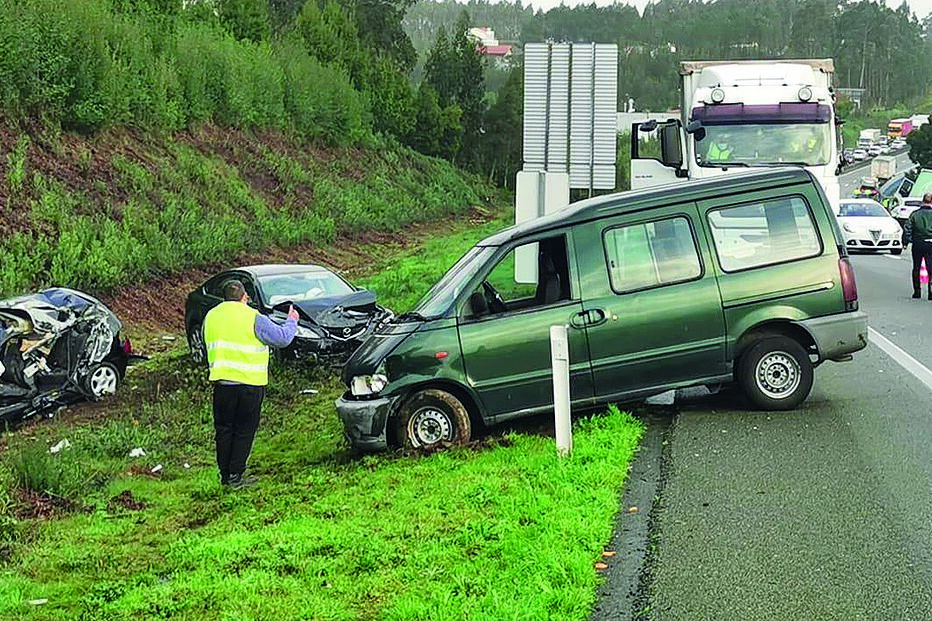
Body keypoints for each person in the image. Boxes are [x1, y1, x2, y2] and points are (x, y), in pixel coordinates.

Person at [203, 279, 299, 488]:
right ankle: (236, 476)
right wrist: (292, 320)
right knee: (244, 430)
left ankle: (225, 475)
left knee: (224, 430)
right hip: (249, 383)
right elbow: (282, 339)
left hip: (222, 383)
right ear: (244, 297)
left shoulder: (211, 316)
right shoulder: (253, 317)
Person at [902, 193, 932, 300]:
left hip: (918, 243)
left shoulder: (915, 214)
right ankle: (931, 292)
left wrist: (905, 242)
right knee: (930, 268)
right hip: (930, 243)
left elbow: (908, 228)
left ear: (922, 201)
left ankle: (917, 291)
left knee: (916, 267)